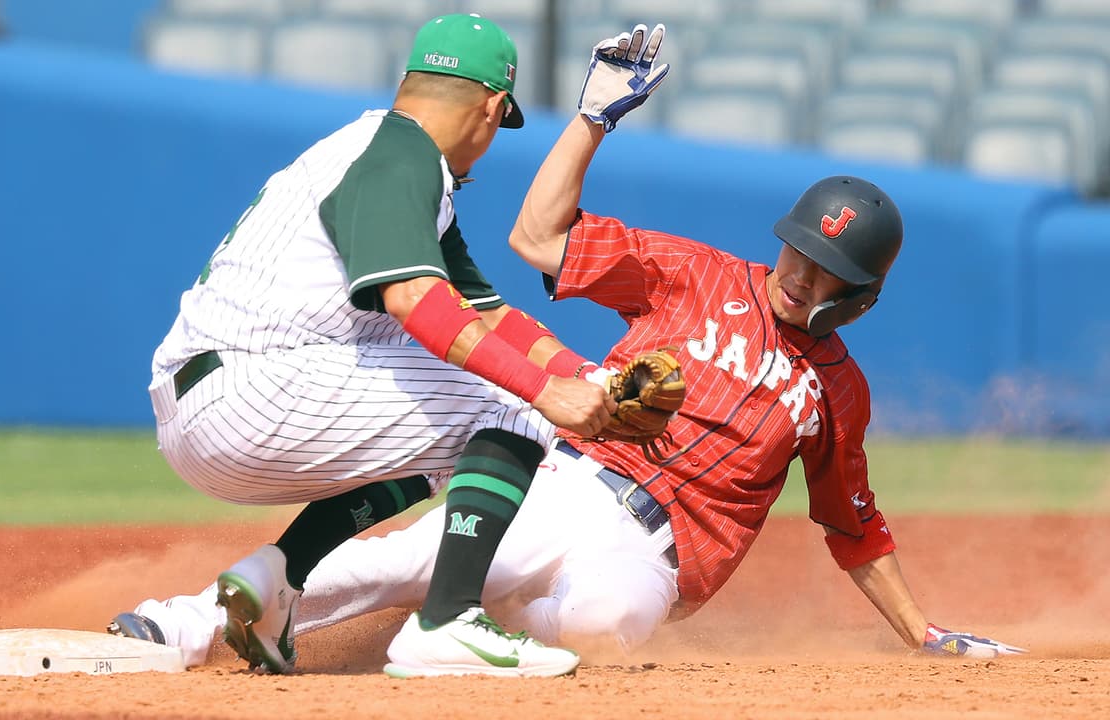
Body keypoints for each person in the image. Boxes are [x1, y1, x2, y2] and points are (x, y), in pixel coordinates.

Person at [114, 23, 1025, 668]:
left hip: (654, 556)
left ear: (856, 296)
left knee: (600, 622)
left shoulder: (836, 392)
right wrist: (592, 120)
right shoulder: (694, 272)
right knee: (414, 544)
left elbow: (852, 525)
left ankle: (458, 622)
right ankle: (200, 619)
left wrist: (923, 633)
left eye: (827, 269)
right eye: (800, 249)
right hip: (567, 480)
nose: (802, 273)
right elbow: (540, 245)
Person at [117, 13, 625, 679]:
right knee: (512, 404)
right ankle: (449, 623)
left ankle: (278, 579)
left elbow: (489, 314)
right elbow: (416, 302)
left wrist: (593, 378)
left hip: (212, 402)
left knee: (469, 431)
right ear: (492, 108)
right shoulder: (400, 155)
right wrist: (546, 391)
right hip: (254, 389)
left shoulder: (385, 156)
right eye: (500, 126)